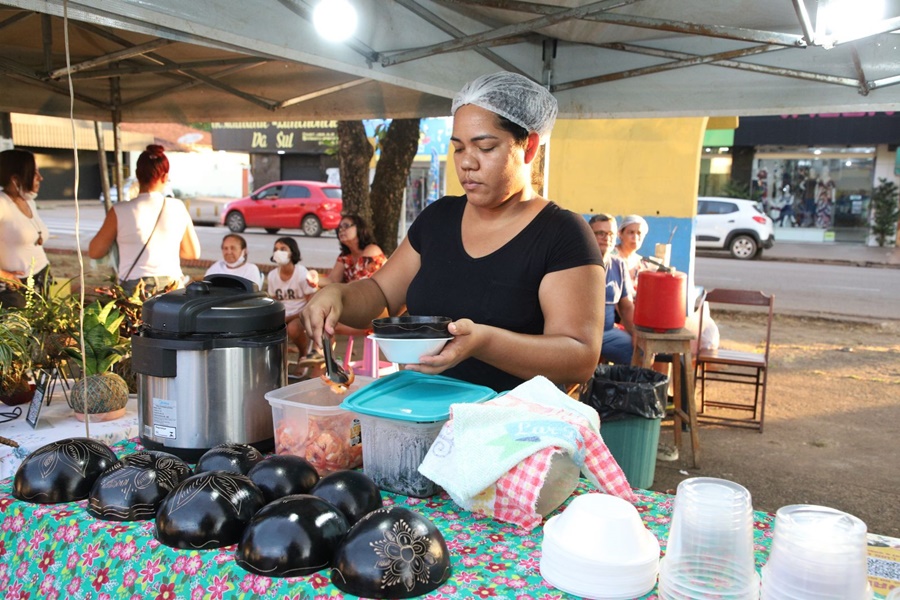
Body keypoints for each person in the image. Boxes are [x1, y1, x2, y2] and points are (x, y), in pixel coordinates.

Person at [302, 71, 605, 392]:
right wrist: (338, 295)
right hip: (424, 414)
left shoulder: (562, 234)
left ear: (529, 147)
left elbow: (580, 358)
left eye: (485, 147)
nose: (467, 163)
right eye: (458, 148)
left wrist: (484, 342)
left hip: (515, 432)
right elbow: (380, 294)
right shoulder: (439, 218)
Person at [88, 145, 200, 297]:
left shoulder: (119, 210)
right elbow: (192, 253)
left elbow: (95, 251)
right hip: (171, 288)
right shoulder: (177, 207)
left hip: (134, 292)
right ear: (165, 177)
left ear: (137, 175)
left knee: (138, 322)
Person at [0, 149, 51, 308]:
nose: (40, 178)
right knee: (20, 332)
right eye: (34, 173)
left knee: (41, 331)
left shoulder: (29, 202)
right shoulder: (2, 204)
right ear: (15, 178)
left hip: (40, 280)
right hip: (14, 289)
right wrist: (3, 275)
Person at [589, 214, 635, 365]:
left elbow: (627, 306)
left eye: (610, 234)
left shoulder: (618, 265)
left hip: (608, 333)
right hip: (580, 334)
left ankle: (627, 389)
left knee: (639, 351)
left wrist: (636, 335)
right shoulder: (576, 263)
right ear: (589, 235)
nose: (606, 238)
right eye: (600, 233)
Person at [266, 237, 319, 365]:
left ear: (292, 252)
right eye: (276, 249)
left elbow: (311, 301)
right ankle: (276, 363)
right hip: (283, 315)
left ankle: (303, 354)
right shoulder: (272, 276)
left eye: (283, 249)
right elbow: (273, 301)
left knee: (293, 329)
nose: (278, 252)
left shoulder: (301, 273)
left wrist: (292, 317)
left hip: (301, 314)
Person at [324, 215, 387, 285]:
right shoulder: (345, 256)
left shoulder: (372, 250)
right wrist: (312, 278)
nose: (341, 230)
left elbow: (357, 284)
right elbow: (332, 280)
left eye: (346, 226)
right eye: (340, 228)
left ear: (359, 229)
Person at [613, 214, 649, 286]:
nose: (635, 237)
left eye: (639, 233)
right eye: (631, 232)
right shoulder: (612, 256)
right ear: (620, 234)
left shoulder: (643, 263)